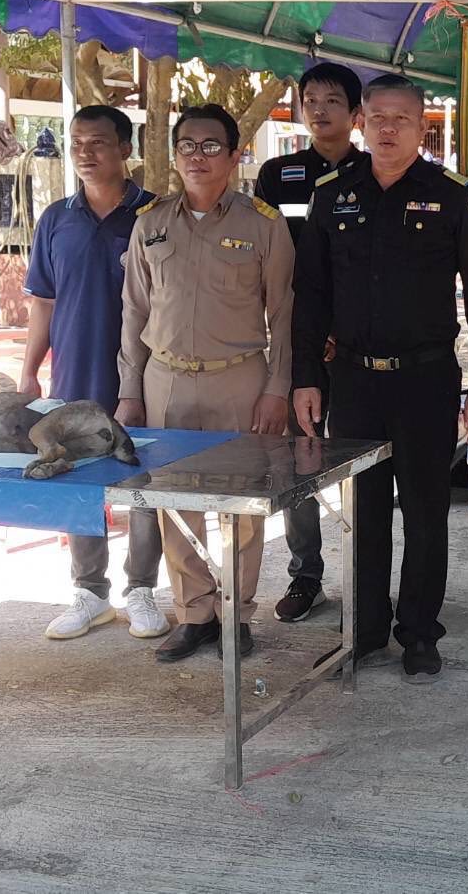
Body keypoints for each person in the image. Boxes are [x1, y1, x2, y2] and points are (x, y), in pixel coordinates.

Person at [292, 74, 468, 684]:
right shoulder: (333, 194)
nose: (387, 129)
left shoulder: (453, 196)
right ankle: (363, 630)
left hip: (425, 380)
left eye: (401, 119)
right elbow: (311, 294)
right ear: (361, 122)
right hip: (353, 380)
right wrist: (306, 376)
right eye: (377, 117)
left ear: (420, 125)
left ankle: (419, 631)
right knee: (364, 511)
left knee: (427, 512)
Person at [117, 105, 294, 662]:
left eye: (211, 146)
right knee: (175, 503)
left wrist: (278, 387)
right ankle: (193, 614)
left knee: (241, 505)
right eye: (187, 146)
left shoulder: (263, 223)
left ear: (235, 155)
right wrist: (129, 390)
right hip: (165, 380)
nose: (198, 156)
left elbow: (283, 312)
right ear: (175, 155)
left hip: (238, 379)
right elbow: (133, 311)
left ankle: (236, 615)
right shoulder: (150, 223)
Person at [20, 105, 167, 642]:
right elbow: (43, 302)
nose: (85, 152)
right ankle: (89, 592)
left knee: (144, 480)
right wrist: (29, 372)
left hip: (146, 375)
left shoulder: (157, 215)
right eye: (77, 142)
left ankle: (142, 589)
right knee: (77, 478)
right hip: (75, 374)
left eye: (98, 142)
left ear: (125, 149)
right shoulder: (55, 218)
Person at [254, 62, 364, 624]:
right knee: (301, 457)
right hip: (299, 337)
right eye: (311, 100)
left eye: (332, 101)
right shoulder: (278, 175)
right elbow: (265, 256)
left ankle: (365, 582)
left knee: (361, 460)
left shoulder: (375, 171)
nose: (320, 110)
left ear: (355, 113)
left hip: (360, 340)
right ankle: (307, 576)